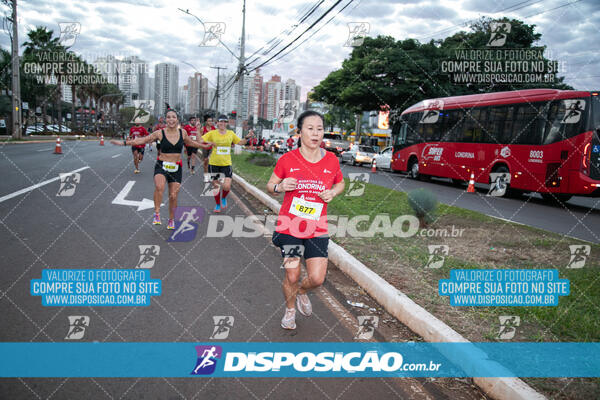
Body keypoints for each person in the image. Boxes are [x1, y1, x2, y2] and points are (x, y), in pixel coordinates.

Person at [267, 110, 345, 330]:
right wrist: (279, 187)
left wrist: (333, 193)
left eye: (319, 129)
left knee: (317, 279)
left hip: (317, 228)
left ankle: (302, 292)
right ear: (300, 132)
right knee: (292, 275)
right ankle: (290, 311)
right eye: (310, 128)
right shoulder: (287, 159)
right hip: (290, 226)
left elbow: (340, 183)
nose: (316, 133)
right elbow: (270, 185)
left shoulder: (331, 159)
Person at [111, 109, 209, 229]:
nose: (171, 119)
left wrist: (204, 145)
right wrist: (124, 143)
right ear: (165, 119)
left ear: (177, 119)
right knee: (159, 187)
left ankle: (171, 219)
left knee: (173, 195)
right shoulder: (159, 133)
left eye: (173, 117)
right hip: (162, 165)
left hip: (176, 167)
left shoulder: (182, 132)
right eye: (168, 117)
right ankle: (157, 213)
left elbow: (191, 143)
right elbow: (143, 140)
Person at [202, 114, 253, 213]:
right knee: (216, 186)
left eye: (225, 122)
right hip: (214, 163)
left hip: (226, 164)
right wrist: (198, 131)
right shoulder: (212, 133)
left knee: (227, 186)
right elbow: (200, 140)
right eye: (221, 121)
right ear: (217, 123)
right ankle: (217, 204)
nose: (222, 123)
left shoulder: (230, 133)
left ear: (227, 123)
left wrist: (247, 137)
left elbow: (240, 142)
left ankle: (224, 198)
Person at [201, 115, 216, 182]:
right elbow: (200, 138)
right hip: (204, 147)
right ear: (206, 122)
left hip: (211, 147)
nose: (210, 122)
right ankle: (206, 176)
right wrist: (207, 142)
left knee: (211, 161)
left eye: (211, 121)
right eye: (209, 121)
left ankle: (211, 175)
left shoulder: (214, 129)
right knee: (205, 162)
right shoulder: (203, 129)